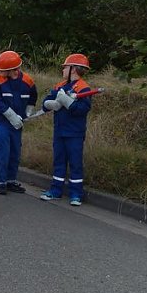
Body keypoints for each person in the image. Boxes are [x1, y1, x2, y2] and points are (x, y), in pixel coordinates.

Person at [40, 53, 93, 206]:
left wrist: (68, 102)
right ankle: (55, 190)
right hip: (60, 131)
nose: (63, 70)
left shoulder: (83, 88)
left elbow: (83, 109)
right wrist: (52, 104)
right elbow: (46, 102)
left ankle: (76, 194)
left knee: (75, 163)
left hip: (75, 133)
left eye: (65, 67)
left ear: (73, 69)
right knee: (58, 161)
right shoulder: (60, 86)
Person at [0, 50, 38, 195]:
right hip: (3, 123)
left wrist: (28, 112)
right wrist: (12, 116)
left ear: (13, 70)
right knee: (3, 151)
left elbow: (33, 97)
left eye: (3, 70)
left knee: (15, 152)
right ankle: (0, 182)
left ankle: (10, 181)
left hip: (18, 125)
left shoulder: (27, 81)